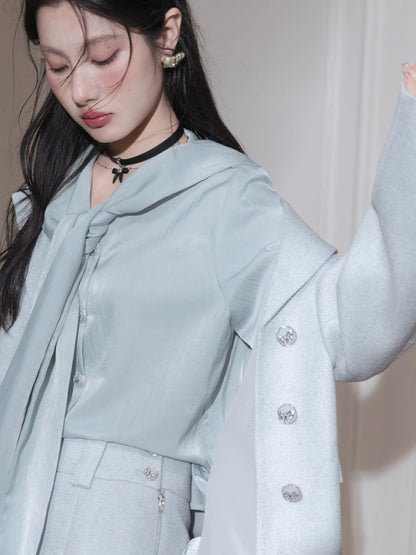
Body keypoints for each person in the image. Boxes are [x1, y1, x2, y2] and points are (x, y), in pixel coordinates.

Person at [1, 0, 416, 553]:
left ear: (167, 35)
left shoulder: (225, 198)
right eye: (57, 66)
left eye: (102, 57)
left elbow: (353, 324)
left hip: (126, 522)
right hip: (18, 506)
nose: (80, 91)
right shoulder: (55, 196)